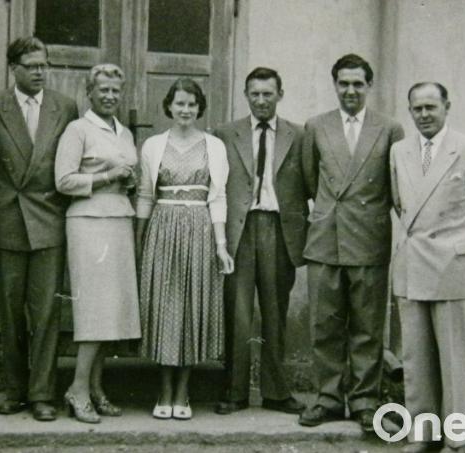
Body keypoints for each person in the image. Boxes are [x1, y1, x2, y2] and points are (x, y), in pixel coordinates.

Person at [390, 82, 465, 453]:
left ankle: (456, 437)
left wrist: (462, 247)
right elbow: (400, 204)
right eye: (416, 109)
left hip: (454, 267)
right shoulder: (399, 151)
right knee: (416, 359)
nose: (423, 115)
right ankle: (422, 434)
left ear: (446, 107)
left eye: (430, 108)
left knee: (456, 361)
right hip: (413, 265)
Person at [298, 54, 405, 432]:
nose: (350, 91)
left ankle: (364, 401)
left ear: (369, 86)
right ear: (335, 85)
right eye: (343, 83)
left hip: (369, 240)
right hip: (326, 239)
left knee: (367, 326)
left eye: (358, 83)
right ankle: (327, 398)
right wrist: (332, 212)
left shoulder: (389, 129)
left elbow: (396, 186)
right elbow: (311, 181)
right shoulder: (316, 126)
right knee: (324, 325)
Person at [0, 37, 78, 422]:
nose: (39, 72)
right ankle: (15, 389)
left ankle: (42, 394)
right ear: (13, 68)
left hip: (49, 220)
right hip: (5, 220)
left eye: (43, 65)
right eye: (31, 65)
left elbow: (72, 161)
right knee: (10, 311)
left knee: (47, 312)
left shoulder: (64, 107)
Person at [137, 78, 235, 420]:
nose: (185, 110)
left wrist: (221, 245)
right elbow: (146, 196)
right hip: (163, 230)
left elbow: (218, 197)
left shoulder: (214, 146)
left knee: (193, 306)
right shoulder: (152, 145)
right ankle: (164, 390)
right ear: (169, 106)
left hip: (199, 230)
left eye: (192, 104)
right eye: (179, 103)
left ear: (200, 107)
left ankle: (183, 391)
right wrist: (140, 239)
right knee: (166, 308)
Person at [213, 67, 308, 416]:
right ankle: (235, 391)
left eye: (268, 93)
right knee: (237, 313)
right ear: (246, 95)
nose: (261, 100)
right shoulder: (226, 133)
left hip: (279, 229)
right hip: (241, 229)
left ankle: (276, 392)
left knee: (274, 312)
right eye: (255, 93)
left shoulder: (298, 135)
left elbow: (310, 183)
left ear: (280, 94)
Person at [55, 63, 141, 424]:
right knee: (94, 312)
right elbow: (63, 180)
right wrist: (107, 177)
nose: (109, 96)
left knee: (112, 311)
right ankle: (76, 389)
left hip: (119, 221)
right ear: (89, 92)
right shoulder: (78, 129)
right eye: (102, 90)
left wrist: (130, 182)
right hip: (88, 224)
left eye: (115, 91)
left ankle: (95, 387)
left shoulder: (124, 133)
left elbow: (127, 173)